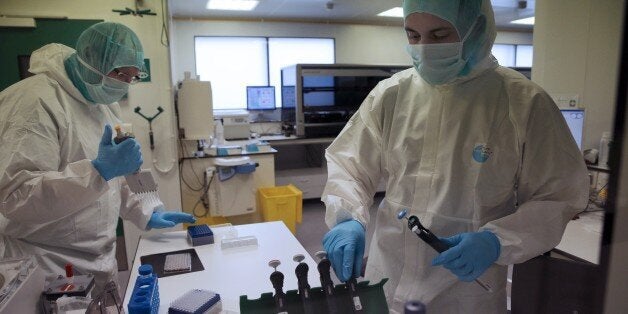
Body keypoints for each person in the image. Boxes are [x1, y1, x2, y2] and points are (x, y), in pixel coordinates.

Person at [321, 0, 589, 312]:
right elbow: (350, 164)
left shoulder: (523, 103)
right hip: (389, 275)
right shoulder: (391, 95)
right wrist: (348, 217)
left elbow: (557, 195)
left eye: (438, 36)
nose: (423, 49)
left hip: (465, 289)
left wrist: (497, 241)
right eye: (413, 35)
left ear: (476, 30)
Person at [0, 22, 195, 296]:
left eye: (133, 77)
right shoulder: (34, 101)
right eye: (121, 74)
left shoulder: (102, 104)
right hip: (46, 263)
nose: (126, 84)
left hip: (100, 258)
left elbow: (117, 177)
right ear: (91, 60)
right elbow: (17, 197)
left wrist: (148, 211)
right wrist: (97, 171)